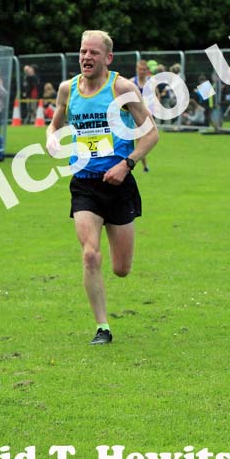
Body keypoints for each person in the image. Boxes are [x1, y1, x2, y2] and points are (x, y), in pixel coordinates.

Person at [46, 30, 159, 345]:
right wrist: (51, 137)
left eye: (94, 53)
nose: (86, 57)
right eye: (83, 51)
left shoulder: (121, 88)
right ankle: (103, 327)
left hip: (119, 183)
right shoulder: (67, 89)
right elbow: (54, 124)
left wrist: (127, 164)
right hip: (84, 184)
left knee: (121, 269)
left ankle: (113, 285)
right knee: (90, 255)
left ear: (108, 58)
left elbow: (151, 134)